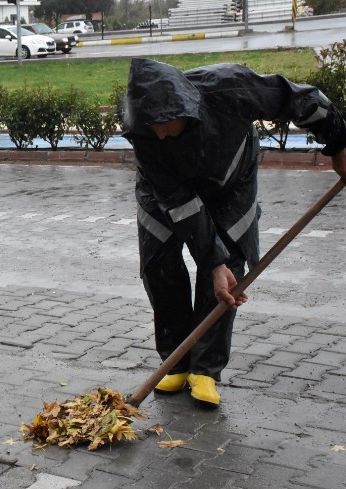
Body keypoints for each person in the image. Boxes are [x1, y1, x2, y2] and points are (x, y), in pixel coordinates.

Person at [122, 58, 346, 407]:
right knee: (158, 264)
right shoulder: (144, 133)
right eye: (153, 128)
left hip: (231, 181)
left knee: (229, 266)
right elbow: (180, 204)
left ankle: (205, 370)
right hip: (164, 193)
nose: (160, 134)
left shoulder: (229, 87)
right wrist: (211, 260)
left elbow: (298, 98)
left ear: (183, 107)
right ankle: (176, 361)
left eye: (164, 124)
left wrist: (339, 145)